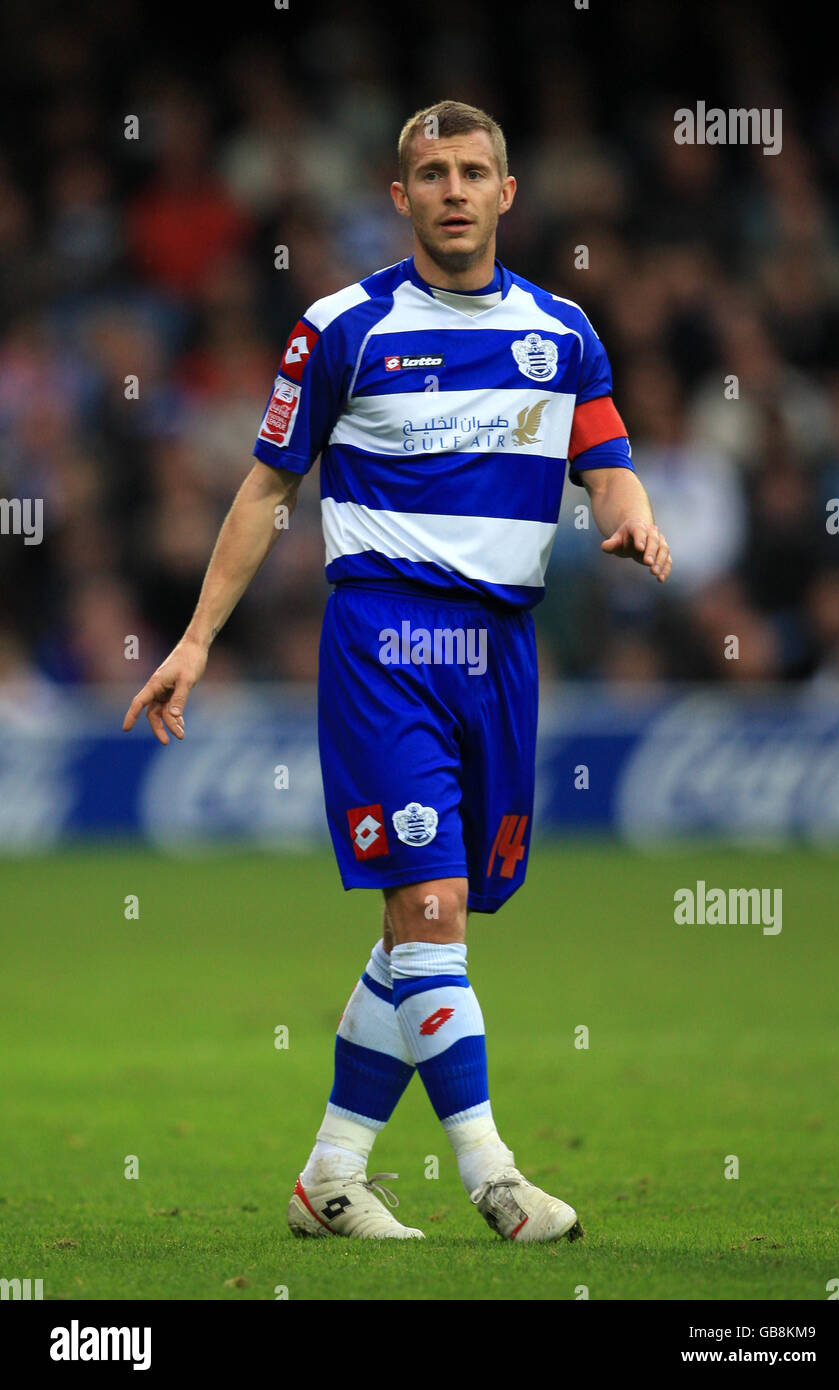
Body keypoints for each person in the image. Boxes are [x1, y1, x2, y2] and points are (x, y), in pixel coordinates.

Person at [123, 99, 672, 1243]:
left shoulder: (562, 331)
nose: (455, 189)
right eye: (433, 173)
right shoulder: (341, 327)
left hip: (502, 656)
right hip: (385, 645)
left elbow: (606, 465)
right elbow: (266, 489)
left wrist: (631, 517)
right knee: (428, 913)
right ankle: (492, 1175)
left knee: (421, 928)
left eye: (474, 170)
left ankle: (329, 1176)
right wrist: (192, 640)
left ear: (507, 194)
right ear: (401, 196)